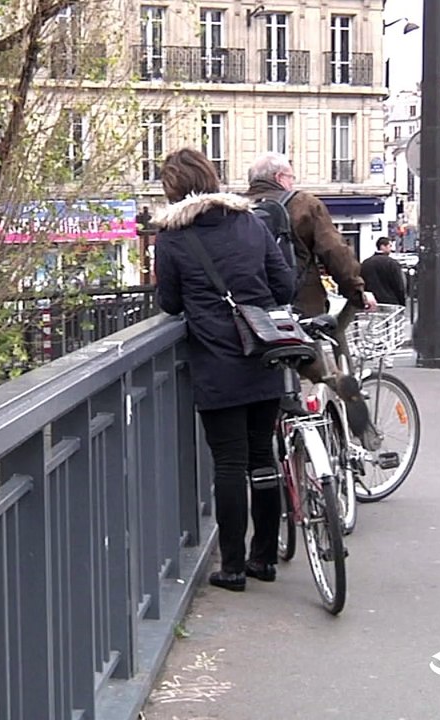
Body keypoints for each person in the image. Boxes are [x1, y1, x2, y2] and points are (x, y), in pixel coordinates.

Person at [153, 148, 295, 591]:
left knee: (229, 464)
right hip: (263, 353)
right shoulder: (250, 222)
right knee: (261, 457)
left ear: (172, 188)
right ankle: (264, 559)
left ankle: (232, 567)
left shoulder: (173, 238)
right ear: (213, 180)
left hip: (216, 363)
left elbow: (171, 303)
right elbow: (284, 284)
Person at [244, 152, 379, 445]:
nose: (293, 182)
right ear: (281, 178)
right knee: (324, 368)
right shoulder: (303, 203)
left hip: (254, 318)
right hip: (300, 310)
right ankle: (354, 434)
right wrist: (356, 291)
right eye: (291, 176)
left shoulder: (240, 210)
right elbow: (334, 252)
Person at [361, 236, 408, 306]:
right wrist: (402, 302)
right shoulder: (392, 264)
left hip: (371, 303)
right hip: (391, 302)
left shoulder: (365, 263)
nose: (391, 249)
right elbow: (399, 285)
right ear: (382, 246)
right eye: (390, 246)